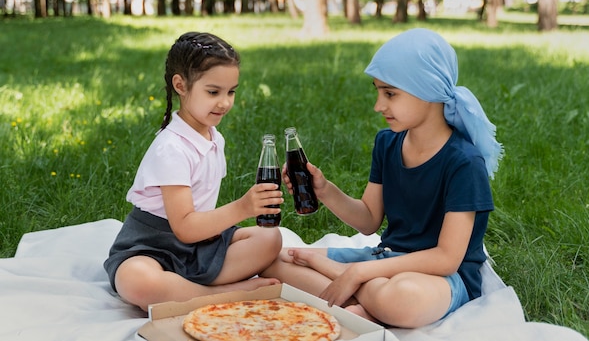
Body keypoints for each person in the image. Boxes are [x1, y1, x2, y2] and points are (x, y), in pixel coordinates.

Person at [261, 28, 504, 328]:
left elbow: (446, 259)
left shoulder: (464, 163)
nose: (379, 105)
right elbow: (368, 220)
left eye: (390, 93)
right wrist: (325, 191)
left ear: (427, 89)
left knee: (403, 299)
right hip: (384, 259)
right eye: (377, 91)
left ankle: (347, 284)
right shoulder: (387, 144)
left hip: (439, 279)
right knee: (273, 260)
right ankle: (364, 304)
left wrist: (356, 272)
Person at [104, 32, 283, 311]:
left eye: (231, 91)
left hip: (200, 244)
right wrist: (243, 207)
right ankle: (224, 294)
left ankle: (188, 289)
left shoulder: (214, 138)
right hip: (153, 247)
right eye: (213, 92)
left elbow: (199, 224)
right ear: (181, 85)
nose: (225, 102)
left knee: (270, 238)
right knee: (137, 280)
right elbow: (185, 226)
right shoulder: (171, 148)